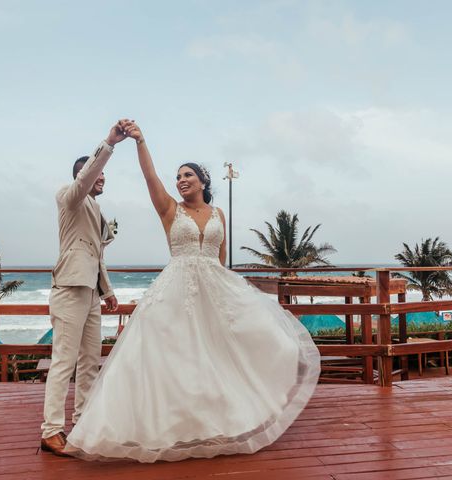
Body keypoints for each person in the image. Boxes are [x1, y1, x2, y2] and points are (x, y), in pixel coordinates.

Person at [65, 120, 321, 462]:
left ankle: (222, 422)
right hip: (177, 290)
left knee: (232, 353)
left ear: (203, 181)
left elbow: (221, 257)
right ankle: (170, 428)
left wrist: (230, 291)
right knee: (177, 359)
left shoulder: (218, 214)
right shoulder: (171, 210)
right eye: (178, 177)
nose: (181, 180)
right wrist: (141, 141)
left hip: (215, 287)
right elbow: (150, 176)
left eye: (188, 175)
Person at [41, 122, 127, 456]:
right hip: (69, 289)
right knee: (64, 360)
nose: (102, 180)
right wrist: (109, 144)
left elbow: (98, 255)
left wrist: (107, 292)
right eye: (96, 177)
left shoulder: (96, 209)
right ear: (84, 177)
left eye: (104, 178)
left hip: (91, 293)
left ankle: (83, 422)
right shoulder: (69, 197)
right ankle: (50, 430)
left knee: (91, 361)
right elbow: (87, 176)